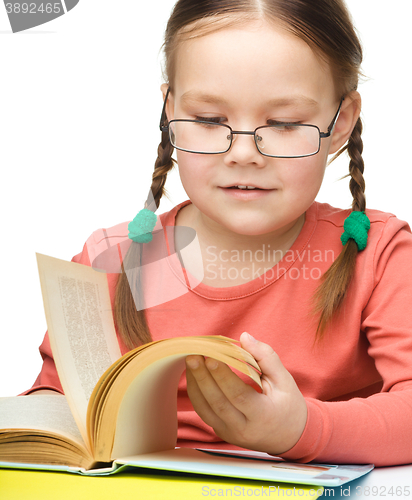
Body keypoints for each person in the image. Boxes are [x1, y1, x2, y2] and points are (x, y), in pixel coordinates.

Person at [25, 0, 412, 466]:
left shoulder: (380, 256)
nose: (244, 153)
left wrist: (301, 429)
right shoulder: (108, 262)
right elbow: (53, 415)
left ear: (340, 122)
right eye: (210, 120)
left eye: (284, 123)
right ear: (169, 111)